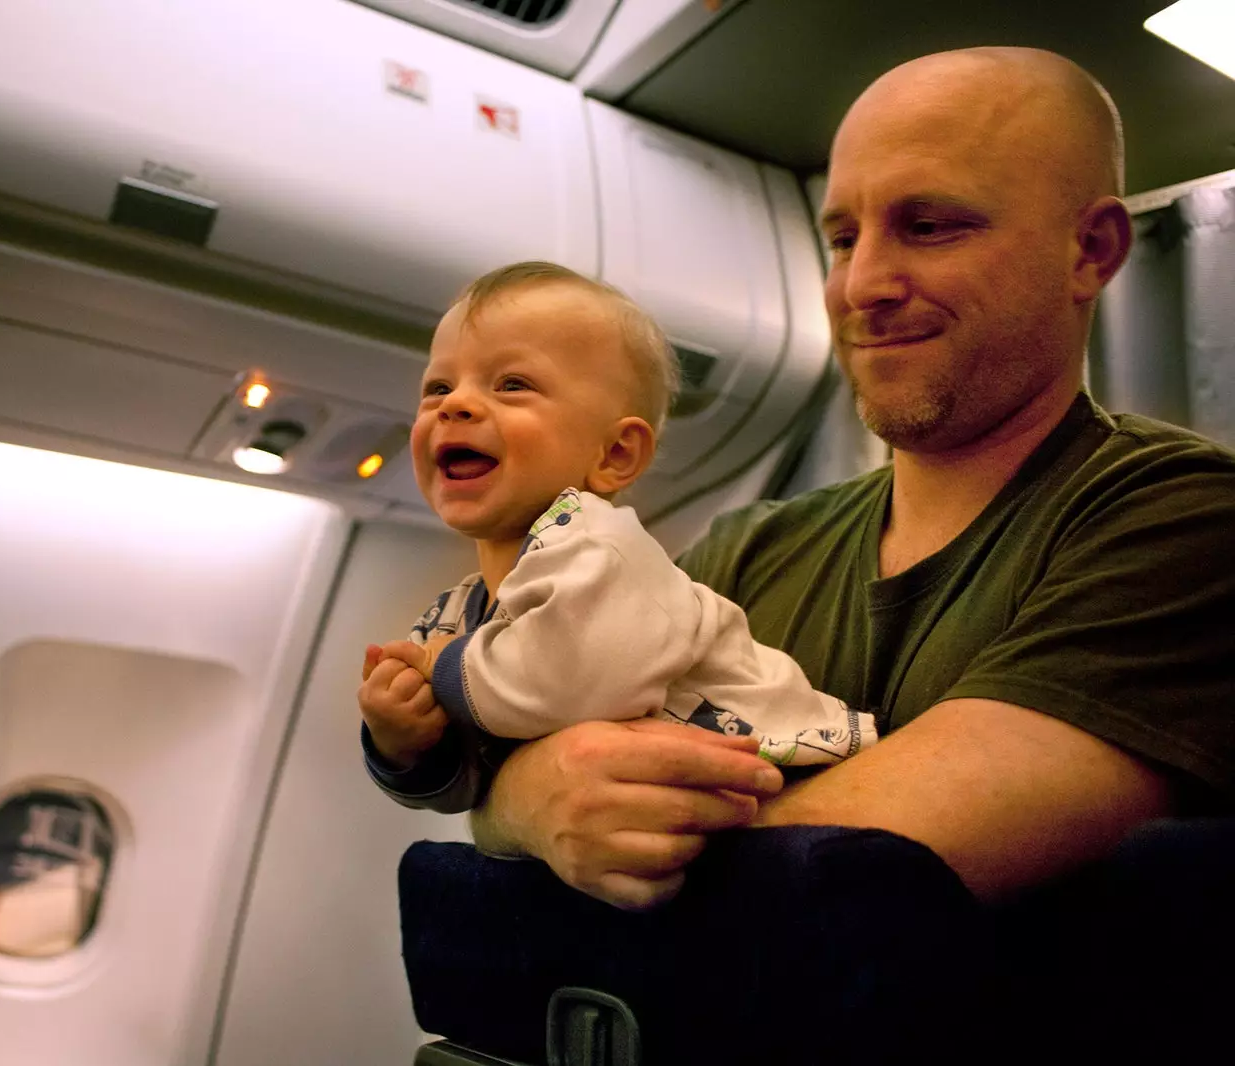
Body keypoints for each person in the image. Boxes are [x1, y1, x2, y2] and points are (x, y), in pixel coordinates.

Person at [380, 46, 1235, 911]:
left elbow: (865, 869)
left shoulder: (1183, 521)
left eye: (929, 225)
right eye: (841, 238)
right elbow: (551, 800)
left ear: (1089, 250)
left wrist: (536, 795)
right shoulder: (749, 548)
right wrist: (532, 800)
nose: (861, 285)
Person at [358, 262, 877, 815]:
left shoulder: (602, 550)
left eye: (513, 385)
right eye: (438, 386)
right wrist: (403, 743)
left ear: (614, 455)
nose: (454, 404)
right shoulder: (457, 618)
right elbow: (476, 789)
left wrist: (440, 670)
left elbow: (568, 683)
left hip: (812, 784)